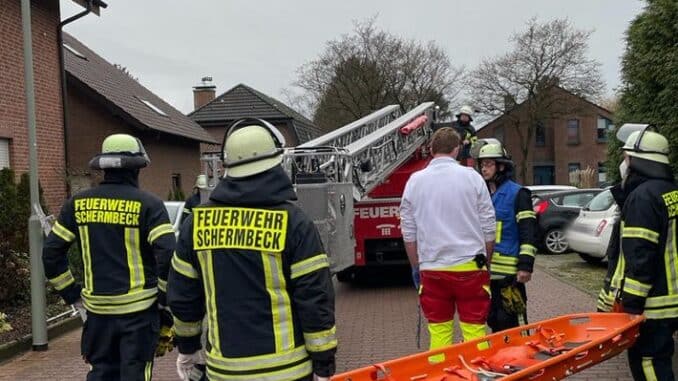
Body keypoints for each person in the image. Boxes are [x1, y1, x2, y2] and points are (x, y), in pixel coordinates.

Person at [168, 118, 337, 381]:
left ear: (228, 167)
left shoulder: (196, 223)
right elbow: (314, 297)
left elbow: (183, 296)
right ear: (275, 163)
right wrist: (324, 363)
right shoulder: (294, 222)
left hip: (224, 371)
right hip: (287, 372)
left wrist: (188, 349)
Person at [42, 134, 176, 381]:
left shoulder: (77, 204)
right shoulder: (150, 205)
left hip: (97, 315)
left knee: (101, 373)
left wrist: (72, 294)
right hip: (139, 313)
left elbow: (51, 254)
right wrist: (164, 297)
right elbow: (168, 254)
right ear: (138, 167)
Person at [400, 127, 495, 358]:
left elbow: (409, 233)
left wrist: (416, 267)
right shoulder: (473, 177)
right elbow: (489, 227)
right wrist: (486, 263)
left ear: (431, 150)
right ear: (457, 148)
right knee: (475, 332)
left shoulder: (415, 181)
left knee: (439, 334)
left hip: (432, 269)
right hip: (470, 267)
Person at [607, 123, 678, 381]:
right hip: (671, 299)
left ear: (638, 160)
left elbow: (640, 257)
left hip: (653, 305)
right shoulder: (671, 191)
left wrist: (632, 306)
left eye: (626, 157)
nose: (623, 163)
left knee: (649, 364)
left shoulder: (643, 198)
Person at [473, 140, 537, 332]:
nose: (484, 169)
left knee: (511, 320)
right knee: (493, 319)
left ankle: (519, 360)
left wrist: (525, 266)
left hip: (510, 273)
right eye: (482, 164)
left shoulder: (518, 194)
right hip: (487, 271)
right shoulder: (482, 195)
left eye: (489, 164)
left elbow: (528, 231)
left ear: (501, 166)